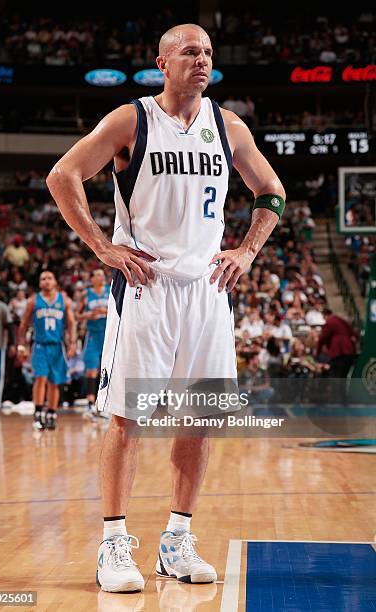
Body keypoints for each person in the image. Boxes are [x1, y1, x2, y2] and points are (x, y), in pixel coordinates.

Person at [46, 23, 285, 593]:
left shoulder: (228, 127)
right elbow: (64, 175)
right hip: (148, 287)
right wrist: (103, 247)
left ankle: (177, 540)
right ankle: (112, 544)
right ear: (162, 62)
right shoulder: (132, 120)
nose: (200, 61)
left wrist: (248, 250)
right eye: (189, 52)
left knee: (198, 421)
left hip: (207, 290)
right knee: (128, 419)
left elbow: (271, 193)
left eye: (207, 53)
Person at [17, 271, 76, 430]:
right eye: (43, 279)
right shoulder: (33, 300)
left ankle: (51, 412)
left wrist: (73, 343)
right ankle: (38, 412)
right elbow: (23, 324)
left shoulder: (64, 300)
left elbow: (71, 323)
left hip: (57, 346)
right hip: (39, 345)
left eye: (50, 278)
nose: (47, 281)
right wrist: (21, 345)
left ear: (55, 281)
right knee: (40, 378)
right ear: (40, 283)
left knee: (54, 381)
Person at [78, 268, 110, 420]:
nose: (101, 277)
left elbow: (121, 309)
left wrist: (106, 311)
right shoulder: (86, 295)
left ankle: (105, 405)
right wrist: (88, 315)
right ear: (92, 279)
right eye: (97, 275)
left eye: (102, 275)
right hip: (92, 336)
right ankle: (90, 404)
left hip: (108, 334)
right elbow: (77, 315)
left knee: (107, 371)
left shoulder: (111, 290)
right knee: (91, 370)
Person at [316, 308, 357, 378]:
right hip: (349, 352)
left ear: (325, 315)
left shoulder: (329, 322)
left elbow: (322, 339)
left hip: (338, 352)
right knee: (343, 377)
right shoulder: (342, 320)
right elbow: (354, 334)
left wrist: (317, 352)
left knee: (336, 377)